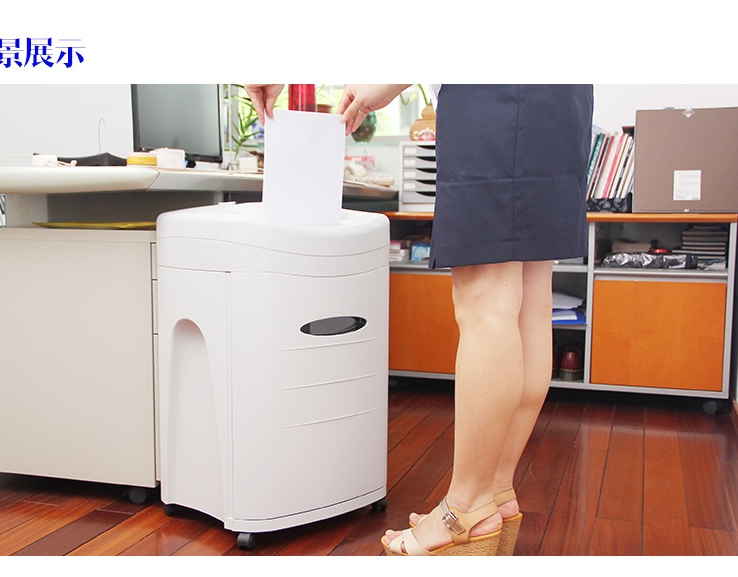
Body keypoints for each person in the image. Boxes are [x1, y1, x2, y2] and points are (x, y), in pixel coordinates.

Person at [245, 84, 594, 556]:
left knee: (487, 303)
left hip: (496, 96)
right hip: (559, 98)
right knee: (528, 299)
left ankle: (466, 510)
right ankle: (495, 493)